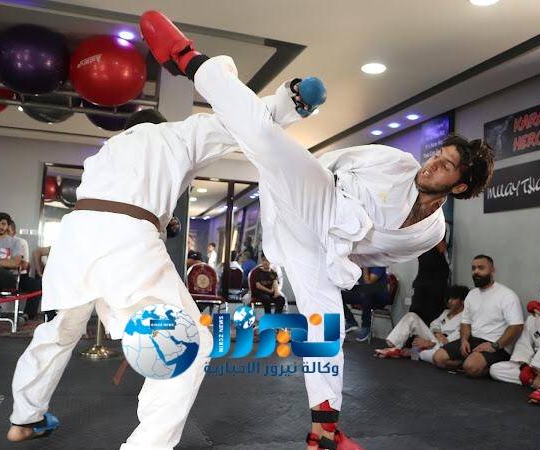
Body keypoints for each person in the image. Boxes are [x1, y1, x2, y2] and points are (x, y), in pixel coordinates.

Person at [140, 11, 495, 449]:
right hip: (320, 196)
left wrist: (336, 255)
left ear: (459, 187)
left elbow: (375, 255)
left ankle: (324, 429)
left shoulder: (428, 233)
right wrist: (298, 177)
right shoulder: (398, 163)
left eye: (445, 166)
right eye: (437, 155)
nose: (432, 164)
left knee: (327, 331)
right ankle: (188, 59)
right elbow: (334, 163)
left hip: (323, 251)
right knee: (264, 138)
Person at [6, 66, 312, 447]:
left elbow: (127, 200)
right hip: (125, 239)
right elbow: (239, 119)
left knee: (58, 332)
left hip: (74, 238)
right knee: (191, 343)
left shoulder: (108, 151)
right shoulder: (173, 135)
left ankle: (24, 418)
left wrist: (161, 220)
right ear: (159, 124)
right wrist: (289, 101)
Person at [433, 255, 524, 378]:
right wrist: (464, 340)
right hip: (472, 340)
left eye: (481, 268)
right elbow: (465, 322)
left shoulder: (507, 295)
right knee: (438, 358)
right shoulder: (472, 294)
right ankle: (467, 366)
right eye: (473, 268)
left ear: (492, 271)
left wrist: (494, 346)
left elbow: (517, 326)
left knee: (471, 366)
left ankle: (473, 367)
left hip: (496, 344)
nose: (476, 272)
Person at [490, 282, 540, 387]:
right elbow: (524, 343)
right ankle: (534, 381)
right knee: (496, 369)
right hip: (534, 365)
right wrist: (524, 366)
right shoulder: (533, 319)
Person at [375, 285, 468, 363]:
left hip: (444, 346)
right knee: (411, 316)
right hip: (434, 338)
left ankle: (413, 352)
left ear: (463, 301)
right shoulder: (446, 312)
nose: (450, 301)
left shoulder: (465, 318)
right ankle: (395, 348)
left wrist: (430, 343)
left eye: (454, 299)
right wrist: (437, 333)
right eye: (449, 298)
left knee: (430, 353)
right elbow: (434, 325)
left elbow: (453, 340)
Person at [409, 236, 450, 325]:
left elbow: (442, 248)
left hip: (436, 279)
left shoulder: (437, 231)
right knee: (415, 311)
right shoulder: (419, 236)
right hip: (422, 278)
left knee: (432, 313)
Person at [340, 267, 389, 341]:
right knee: (338, 294)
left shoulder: (378, 265)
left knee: (366, 293)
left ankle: (366, 326)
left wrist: (365, 267)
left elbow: (368, 283)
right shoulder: (360, 265)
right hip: (364, 295)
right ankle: (351, 321)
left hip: (379, 298)